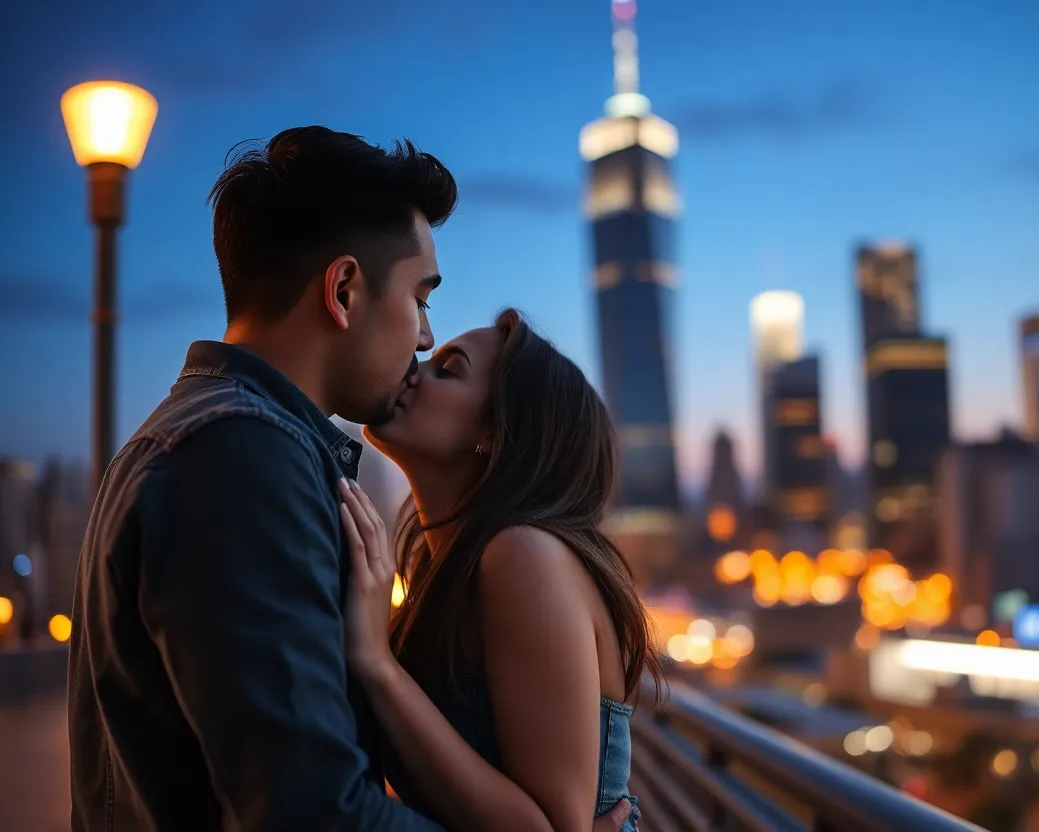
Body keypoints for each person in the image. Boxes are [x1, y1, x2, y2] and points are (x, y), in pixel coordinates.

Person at [65, 126, 637, 832]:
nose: (424, 338)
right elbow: (314, 812)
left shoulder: (225, 440)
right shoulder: (241, 455)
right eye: (422, 297)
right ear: (342, 289)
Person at [333, 309, 660, 832]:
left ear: (497, 430)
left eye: (448, 369)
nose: (414, 369)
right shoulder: (444, 570)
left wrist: (376, 663)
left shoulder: (522, 555)